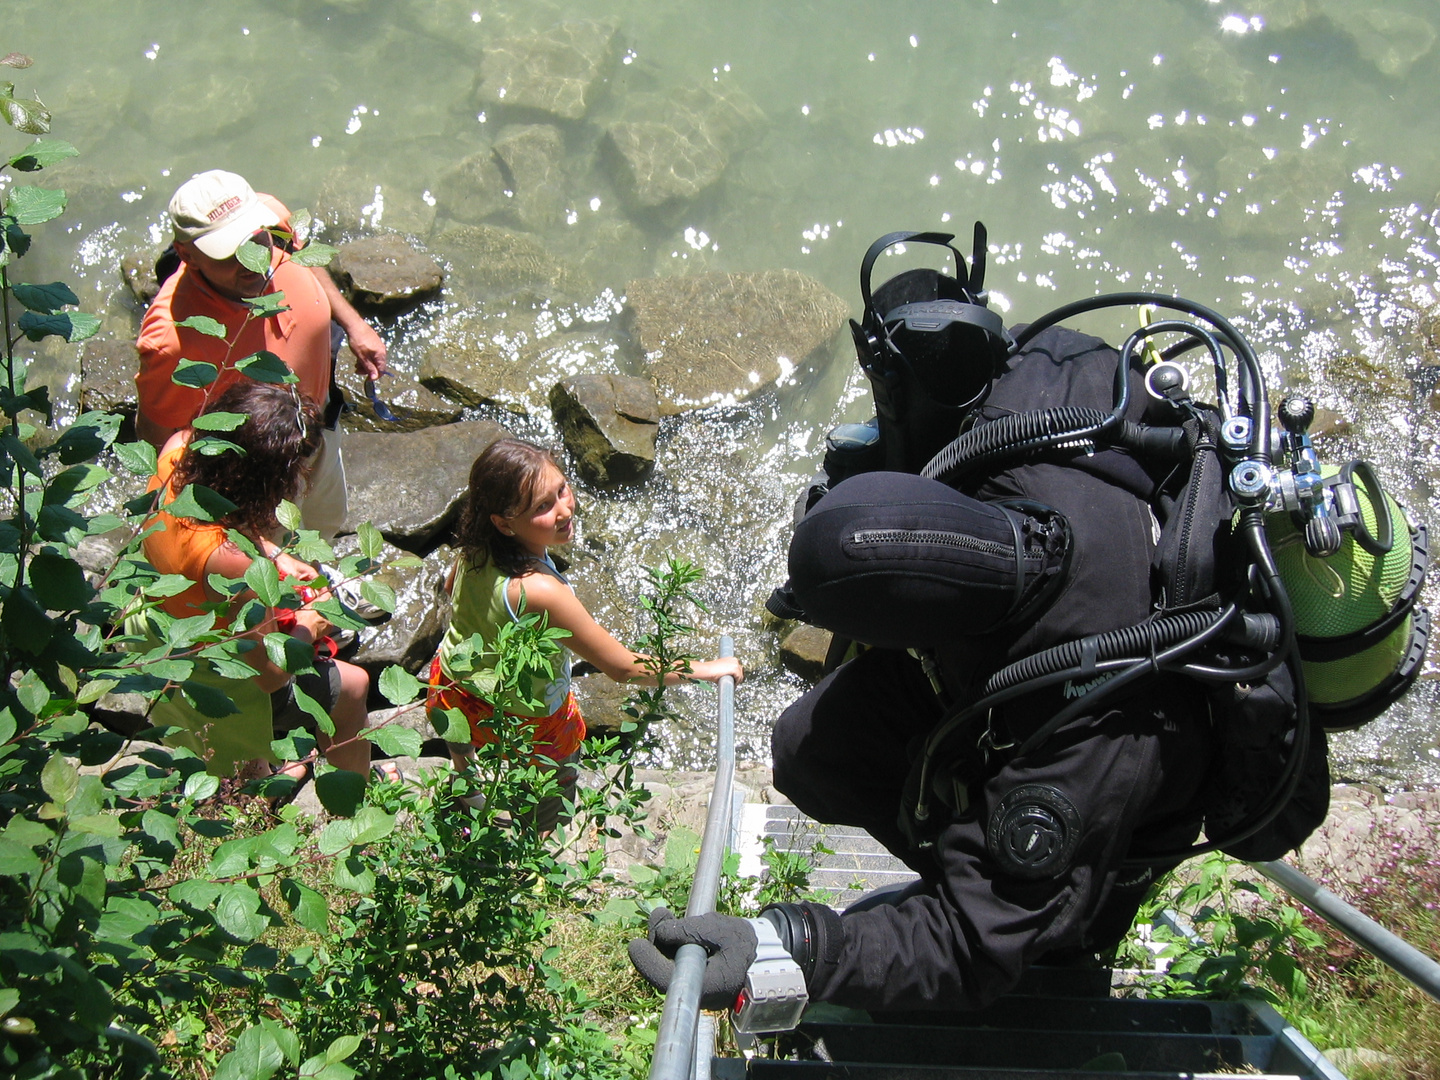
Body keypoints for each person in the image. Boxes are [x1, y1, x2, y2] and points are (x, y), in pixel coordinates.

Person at [628, 228, 1337, 1018]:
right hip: (1073, 634)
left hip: (1133, 736)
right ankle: (988, 849)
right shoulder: (1041, 368)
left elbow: (973, 944)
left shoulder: (1085, 719)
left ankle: (1062, 930)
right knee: (811, 748)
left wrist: (788, 946)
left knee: (1039, 928)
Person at [428, 438, 745, 832]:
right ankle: (536, 853)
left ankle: (469, 798)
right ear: (504, 521)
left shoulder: (474, 547)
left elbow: (449, 589)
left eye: (561, 490)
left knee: (464, 751)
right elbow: (624, 669)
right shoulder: (540, 592)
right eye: (543, 506)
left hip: (455, 685)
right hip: (530, 719)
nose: (564, 509)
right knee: (547, 802)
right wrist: (709, 669)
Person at [135, 169, 388, 540]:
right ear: (188, 254)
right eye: (229, 252)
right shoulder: (173, 340)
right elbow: (161, 445)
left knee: (322, 527)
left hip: (318, 429)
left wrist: (353, 324)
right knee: (271, 564)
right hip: (255, 481)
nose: (252, 260)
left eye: (257, 240)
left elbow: (301, 255)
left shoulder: (269, 215)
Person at [138, 380, 372, 781]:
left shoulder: (178, 450)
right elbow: (268, 674)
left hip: (156, 629)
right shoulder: (231, 563)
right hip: (212, 675)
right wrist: (312, 622)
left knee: (243, 771)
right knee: (353, 686)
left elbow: (216, 514)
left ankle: (263, 772)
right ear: (262, 481)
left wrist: (274, 554)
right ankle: (353, 806)